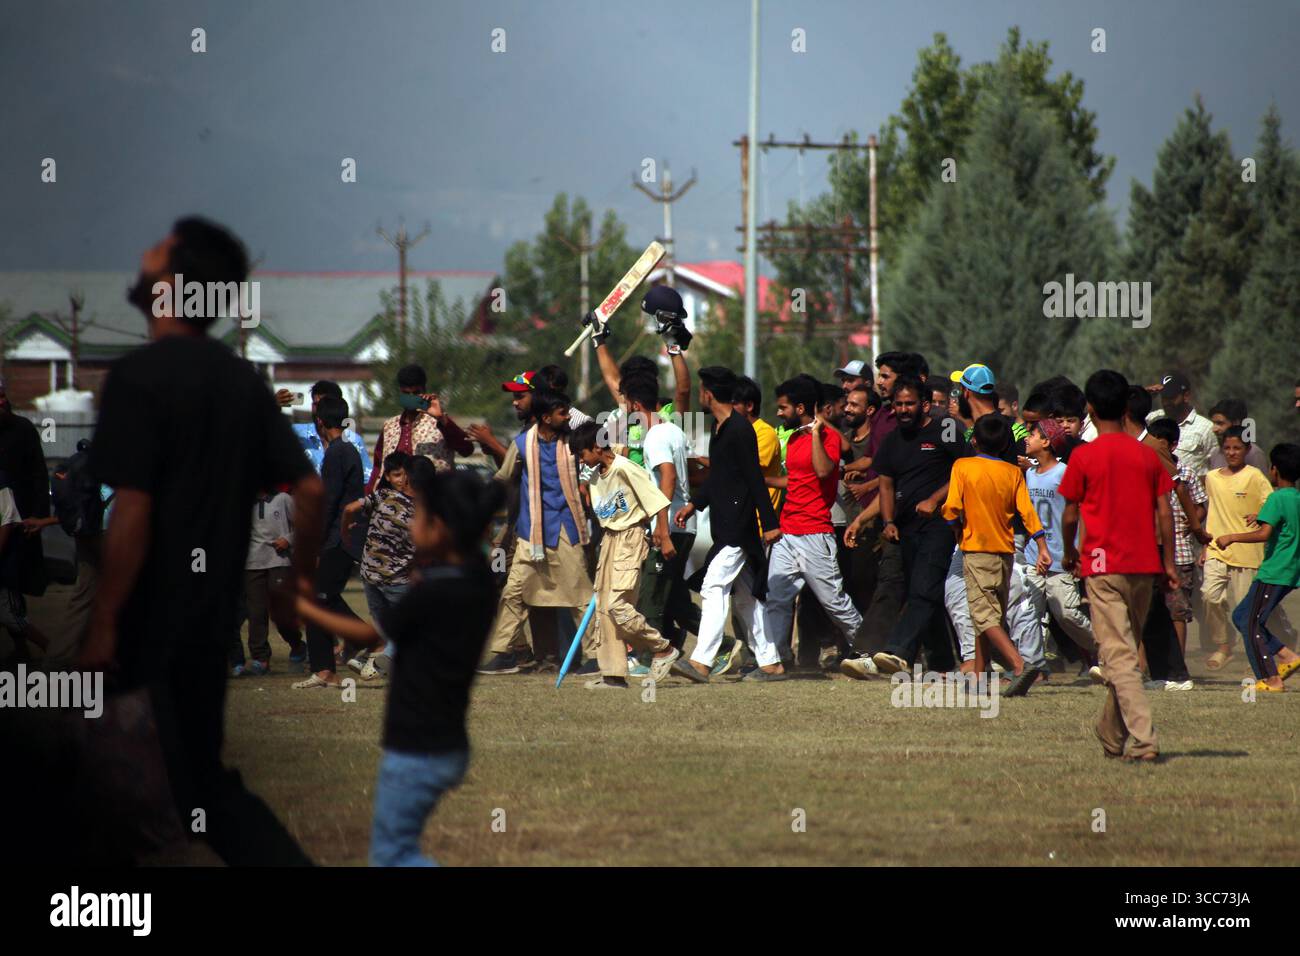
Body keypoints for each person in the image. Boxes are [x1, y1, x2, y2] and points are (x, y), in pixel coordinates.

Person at [86, 215, 321, 863]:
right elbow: (310, 490)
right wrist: (299, 584)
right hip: (209, 621)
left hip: (147, 623)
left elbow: (130, 508)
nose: (142, 251)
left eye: (155, 247)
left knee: (142, 790)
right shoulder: (239, 381)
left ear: (173, 279)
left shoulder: (137, 378)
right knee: (199, 784)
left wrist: (103, 625)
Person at [296, 468, 504, 866]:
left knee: (392, 856)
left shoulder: (436, 591)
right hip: (444, 740)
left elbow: (374, 636)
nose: (410, 524)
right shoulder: (474, 582)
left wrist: (305, 608)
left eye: (418, 516)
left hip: (417, 745)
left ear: (440, 528)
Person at [1059, 370, 1177, 762]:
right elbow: (1165, 512)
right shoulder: (1147, 455)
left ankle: (1144, 741)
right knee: (1124, 653)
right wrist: (1170, 562)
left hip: (1102, 566)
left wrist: (1069, 551)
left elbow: (1071, 513)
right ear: (1127, 408)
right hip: (1144, 566)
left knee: (1120, 657)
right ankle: (1111, 735)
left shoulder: (1084, 456)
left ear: (1089, 410)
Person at [842, 376, 963, 679]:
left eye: (910, 403)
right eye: (899, 404)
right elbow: (885, 484)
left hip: (940, 524)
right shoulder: (892, 440)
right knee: (922, 590)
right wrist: (888, 521)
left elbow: (965, 470)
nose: (904, 409)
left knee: (923, 586)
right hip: (903, 527)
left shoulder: (945, 429)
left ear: (924, 405)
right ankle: (943, 664)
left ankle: (898, 651)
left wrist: (935, 499)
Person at [671, 367, 785, 683]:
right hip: (726, 524)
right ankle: (771, 663)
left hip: (738, 526)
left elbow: (754, 479)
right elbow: (718, 477)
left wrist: (771, 523)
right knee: (747, 597)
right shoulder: (719, 427)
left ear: (709, 393)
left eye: (701, 390)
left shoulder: (739, 430)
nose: (699, 395)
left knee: (712, 585)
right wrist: (694, 504)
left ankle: (701, 662)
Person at [478, 390, 592, 674]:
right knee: (513, 593)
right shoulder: (521, 444)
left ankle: (597, 656)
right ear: (545, 417)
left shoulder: (573, 441)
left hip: (567, 527)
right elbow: (503, 477)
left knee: (581, 596)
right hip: (531, 533)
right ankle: (504, 654)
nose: (568, 417)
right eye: (563, 413)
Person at [567, 421, 683, 688]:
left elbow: (656, 501)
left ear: (596, 447)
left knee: (619, 606)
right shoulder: (595, 474)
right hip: (609, 540)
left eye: (582, 454)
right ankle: (613, 675)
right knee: (605, 609)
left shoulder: (625, 468)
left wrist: (663, 536)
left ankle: (663, 649)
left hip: (630, 538)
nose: (580, 460)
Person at [942, 414, 1050, 696]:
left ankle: (1019, 664)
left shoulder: (962, 466)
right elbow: (1027, 512)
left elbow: (952, 507)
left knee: (983, 615)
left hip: (976, 551)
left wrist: (954, 526)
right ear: (1005, 444)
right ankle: (978, 676)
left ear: (974, 440)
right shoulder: (1013, 472)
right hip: (1006, 552)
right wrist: (1041, 546)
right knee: (989, 616)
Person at [762, 375, 865, 668]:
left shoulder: (828, 437)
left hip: (815, 533)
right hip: (788, 531)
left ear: (801, 407)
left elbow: (822, 471)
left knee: (834, 601)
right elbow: (795, 479)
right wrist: (762, 480)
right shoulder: (793, 437)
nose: (779, 413)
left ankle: (869, 652)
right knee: (777, 599)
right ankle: (778, 659)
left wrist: (818, 434)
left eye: (783, 408)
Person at [292, 394, 365, 690]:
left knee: (321, 596)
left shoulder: (337, 453)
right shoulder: (347, 450)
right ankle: (324, 670)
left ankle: (363, 638)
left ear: (320, 422)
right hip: (341, 536)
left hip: (337, 538)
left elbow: (331, 502)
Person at [1021, 418, 1101, 680]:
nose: (1026, 438)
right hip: (1034, 558)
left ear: (1046, 442)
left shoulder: (1065, 473)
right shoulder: (1029, 474)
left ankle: (1107, 649)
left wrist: (1077, 551)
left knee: (1066, 614)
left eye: (1032, 434)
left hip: (1060, 558)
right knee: (1028, 613)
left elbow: (1081, 514)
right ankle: (1032, 668)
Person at [624, 375, 698, 655]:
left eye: (628, 407)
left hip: (669, 527)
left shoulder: (654, 437)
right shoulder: (674, 431)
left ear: (635, 405)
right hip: (684, 527)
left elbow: (668, 477)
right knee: (675, 598)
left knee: (651, 599)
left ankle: (647, 658)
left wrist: (661, 528)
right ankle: (725, 647)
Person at [1224, 443, 1300, 692]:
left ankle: (1271, 679)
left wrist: (1232, 537)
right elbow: (1285, 524)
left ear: (1274, 470)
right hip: (1290, 572)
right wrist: (1263, 515)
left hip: (1274, 571)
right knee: (1241, 616)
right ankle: (1288, 656)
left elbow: (1265, 534)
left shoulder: (1277, 497)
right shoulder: (1295, 498)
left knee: (1250, 623)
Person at [1201, 425, 1277, 671]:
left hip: (1247, 552)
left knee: (1244, 608)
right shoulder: (1211, 478)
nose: (1232, 453)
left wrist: (1260, 513)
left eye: (1237, 448)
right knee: (1209, 597)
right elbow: (1206, 509)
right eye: (1227, 448)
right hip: (1216, 548)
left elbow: (1272, 503)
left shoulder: (1254, 476)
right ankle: (1223, 645)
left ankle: (1255, 654)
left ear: (1246, 449)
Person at [340, 451, 418, 680]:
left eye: (404, 475)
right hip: (396, 579)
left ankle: (368, 658)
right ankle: (376, 665)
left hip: (369, 575)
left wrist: (344, 533)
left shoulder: (380, 495)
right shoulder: (417, 510)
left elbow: (348, 509)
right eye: (396, 475)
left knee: (385, 625)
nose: (401, 480)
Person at [1147, 417, 1206, 657]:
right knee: (1149, 610)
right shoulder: (1145, 470)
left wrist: (1193, 523)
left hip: (1180, 551)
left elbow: (1200, 504)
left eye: (1158, 443)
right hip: (1151, 550)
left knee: (1177, 610)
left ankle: (1178, 664)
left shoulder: (1187, 472)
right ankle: (1147, 666)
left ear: (1172, 445)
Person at [366, 364, 474, 492]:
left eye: (416, 393)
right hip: (396, 504)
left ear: (424, 391)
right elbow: (379, 467)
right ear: (400, 392)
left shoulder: (439, 422)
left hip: (435, 499)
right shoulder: (390, 426)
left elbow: (467, 449)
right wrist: (369, 497)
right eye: (407, 394)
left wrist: (441, 418)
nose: (411, 397)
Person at [231, 485, 302, 676]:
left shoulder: (283, 499)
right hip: (252, 564)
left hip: (279, 561)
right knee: (256, 613)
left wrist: (288, 539)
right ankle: (260, 659)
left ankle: (297, 645)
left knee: (280, 613)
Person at [0, 378, 51, 600]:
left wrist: (38, 515)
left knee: (12, 583)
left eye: (2, 397)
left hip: (19, 518)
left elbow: (38, 475)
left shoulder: (22, 429)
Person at [0, 472, 51, 660]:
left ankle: (53, 651)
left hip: (4, 566)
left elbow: (7, 521)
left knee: (11, 615)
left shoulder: (2, 487)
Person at [278, 380, 372, 475]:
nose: (319, 410)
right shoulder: (297, 434)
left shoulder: (354, 441)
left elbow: (366, 479)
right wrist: (272, 405)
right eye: (316, 404)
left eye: (324, 404)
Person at [1146, 372, 1218, 477]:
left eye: (1171, 397)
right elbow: (1122, 421)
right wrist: (1142, 395)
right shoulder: (1152, 420)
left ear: (1186, 396)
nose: (1166, 402)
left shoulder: (1206, 429)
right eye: (1164, 397)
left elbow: (1216, 471)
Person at [1207, 398, 1270, 471]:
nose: (1214, 429)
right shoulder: (1215, 453)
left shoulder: (1253, 454)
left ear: (1236, 423)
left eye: (1220, 423)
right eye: (1214, 423)